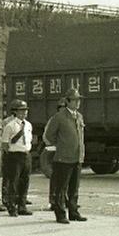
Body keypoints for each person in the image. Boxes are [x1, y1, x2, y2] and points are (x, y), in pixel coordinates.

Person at [43, 88, 87, 224]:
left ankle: (73, 212)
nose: (78, 102)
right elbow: (49, 135)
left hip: (77, 157)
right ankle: (60, 213)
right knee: (61, 188)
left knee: (74, 187)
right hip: (63, 158)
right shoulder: (59, 117)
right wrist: (62, 146)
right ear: (67, 101)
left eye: (79, 100)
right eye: (75, 100)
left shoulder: (79, 116)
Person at [2, 99, 33, 217]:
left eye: (25, 110)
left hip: (26, 154)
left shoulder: (28, 125)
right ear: (15, 112)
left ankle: (22, 205)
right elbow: (5, 143)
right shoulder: (10, 126)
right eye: (21, 111)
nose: (24, 113)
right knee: (13, 182)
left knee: (25, 181)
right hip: (14, 155)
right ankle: (12, 206)